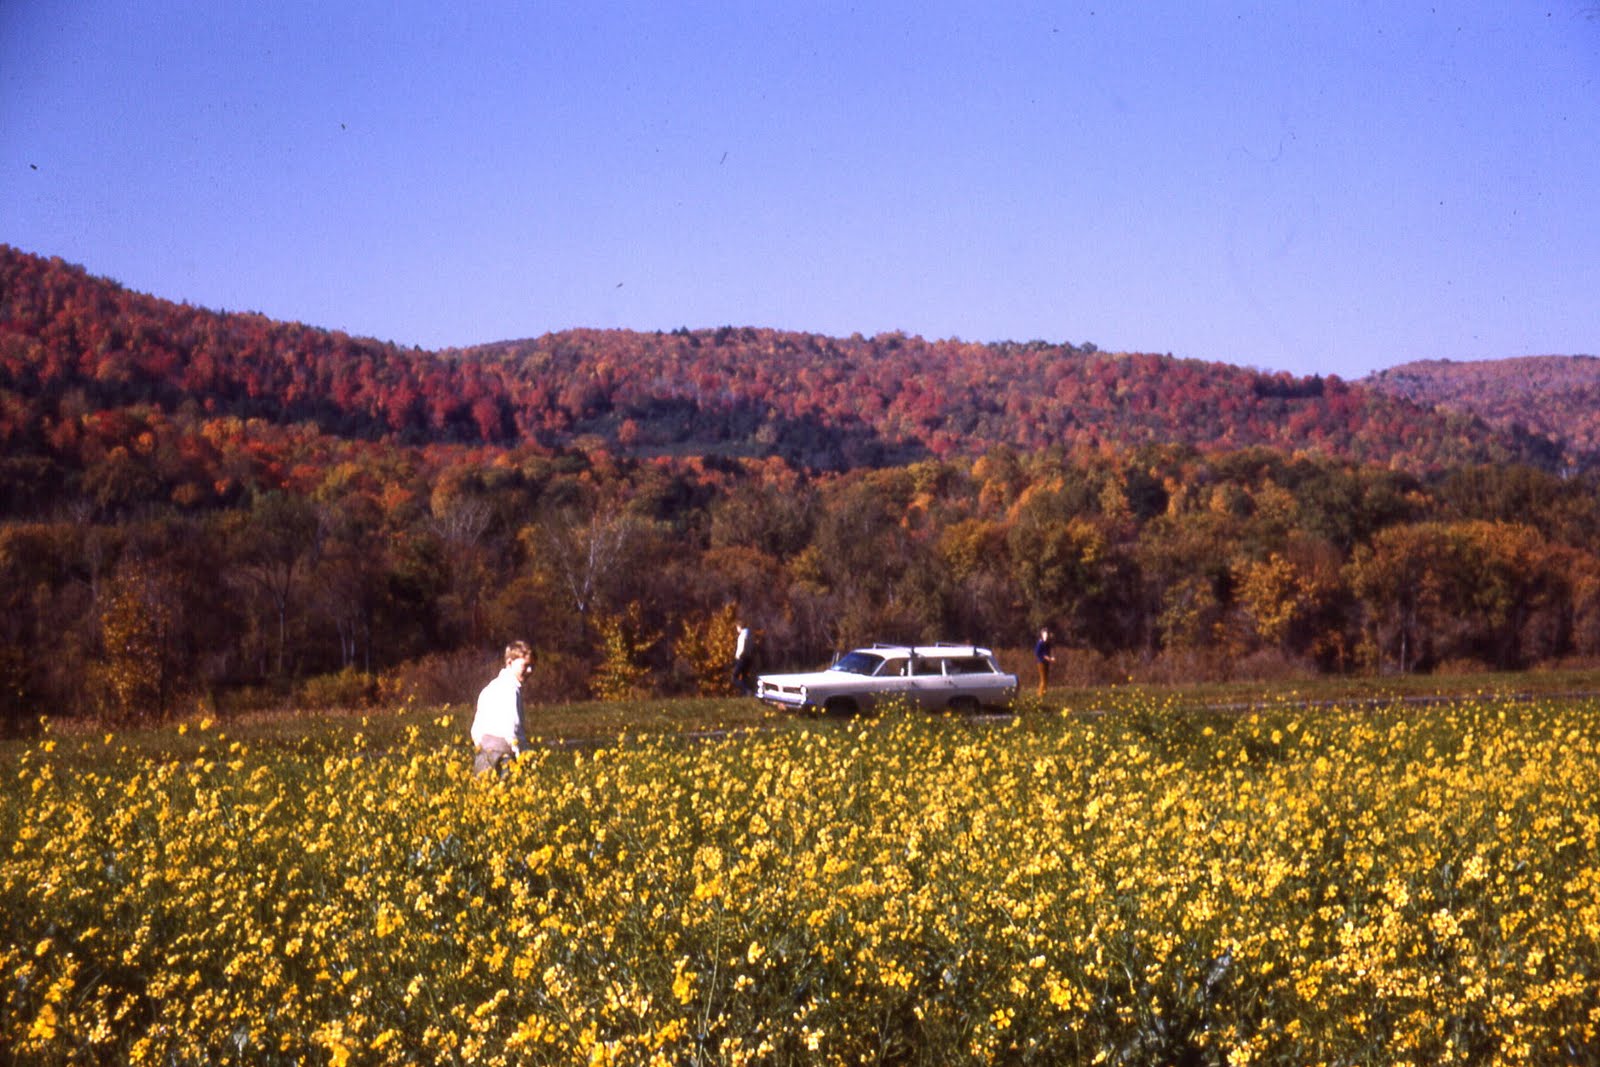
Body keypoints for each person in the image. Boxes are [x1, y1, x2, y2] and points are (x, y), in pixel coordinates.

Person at [472, 640, 531, 775]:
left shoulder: (490, 687)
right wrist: (523, 756)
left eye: (532, 666)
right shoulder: (511, 689)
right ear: (510, 662)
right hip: (503, 757)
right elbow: (513, 728)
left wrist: (482, 749)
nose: (530, 670)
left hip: (483, 756)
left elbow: (476, 729)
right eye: (525, 665)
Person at [731, 621, 755, 694]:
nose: (737, 629)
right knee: (744, 677)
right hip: (748, 658)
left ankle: (748, 691)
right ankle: (746, 693)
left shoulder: (742, 635)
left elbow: (742, 647)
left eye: (737, 628)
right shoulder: (750, 634)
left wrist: (738, 655)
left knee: (734, 677)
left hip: (742, 658)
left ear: (739, 627)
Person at [1033, 627, 1055, 696]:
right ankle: (1040, 695)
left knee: (1046, 679)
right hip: (1041, 662)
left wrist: (1050, 658)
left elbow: (1049, 650)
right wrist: (1045, 657)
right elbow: (1037, 653)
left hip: (1046, 662)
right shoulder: (1040, 643)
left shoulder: (1047, 643)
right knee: (1043, 679)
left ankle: (1043, 693)